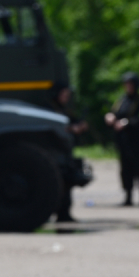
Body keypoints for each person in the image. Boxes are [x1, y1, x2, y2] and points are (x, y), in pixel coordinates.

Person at [105, 71, 139, 206]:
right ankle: (128, 197)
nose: (128, 86)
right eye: (126, 84)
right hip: (123, 142)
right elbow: (115, 113)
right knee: (125, 170)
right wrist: (110, 117)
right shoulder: (121, 100)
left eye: (131, 84)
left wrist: (127, 123)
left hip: (138, 141)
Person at [51, 83, 90, 222]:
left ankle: (64, 214)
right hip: (56, 153)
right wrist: (72, 129)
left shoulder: (64, 110)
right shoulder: (51, 110)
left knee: (67, 184)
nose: (66, 98)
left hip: (66, 151)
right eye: (64, 95)